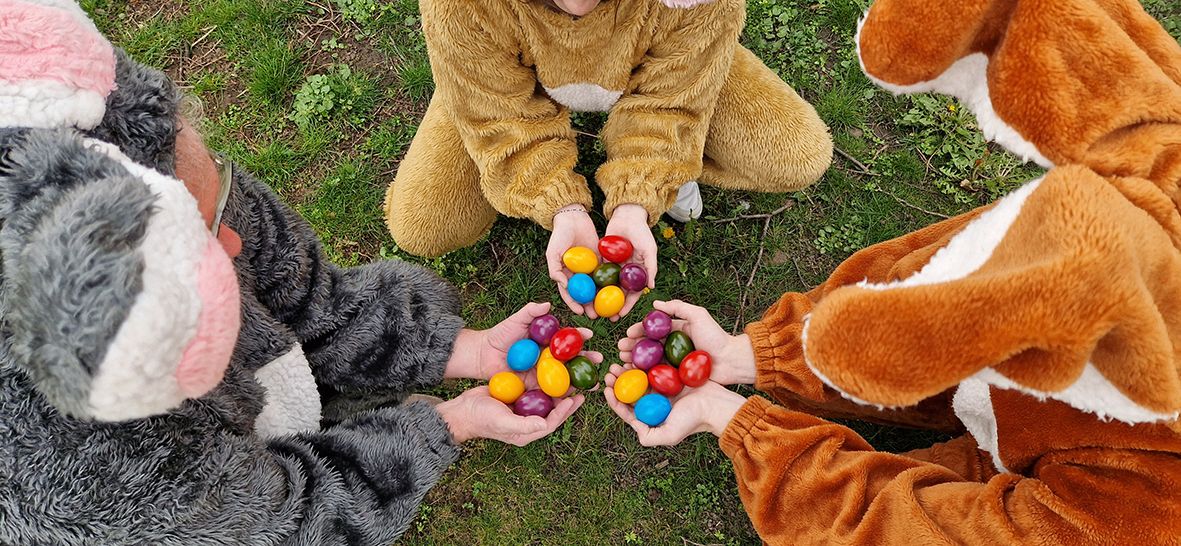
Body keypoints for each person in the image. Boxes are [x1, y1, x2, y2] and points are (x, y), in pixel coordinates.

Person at [0, 3, 591, 544]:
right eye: (208, 242)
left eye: (208, 210)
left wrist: (468, 351)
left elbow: (311, 299)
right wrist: (446, 427)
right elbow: (291, 525)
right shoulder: (98, 470)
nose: (234, 239)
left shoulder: (164, 165)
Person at [607, 0, 1181, 543]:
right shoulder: (1130, 206)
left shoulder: (1138, 514)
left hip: (1043, 485)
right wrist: (755, 355)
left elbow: (890, 527)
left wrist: (738, 424)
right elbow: (921, 284)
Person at [383, 0, 833, 320]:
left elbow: (669, 104)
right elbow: (502, 121)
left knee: (795, 155)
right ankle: (471, 89)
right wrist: (562, 206)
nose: (579, 4)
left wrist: (638, 197)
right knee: (424, 225)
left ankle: (679, 162)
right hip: (504, 86)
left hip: (664, 63)